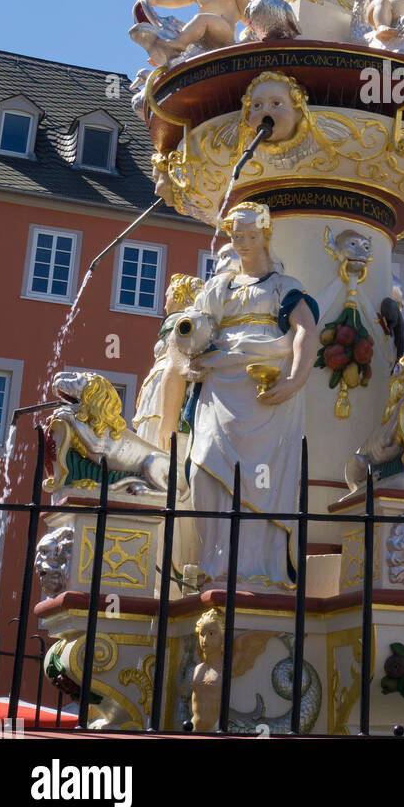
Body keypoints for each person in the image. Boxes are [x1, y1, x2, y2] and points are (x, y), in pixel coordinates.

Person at [186, 202, 318, 592]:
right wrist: (189, 355)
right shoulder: (217, 289)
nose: (242, 242)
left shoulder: (284, 287)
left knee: (262, 480)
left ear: (265, 236)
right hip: (218, 388)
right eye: (236, 235)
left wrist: (294, 380)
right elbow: (189, 329)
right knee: (202, 471)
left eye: (250, 235)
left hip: (265, 393)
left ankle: (259, 568)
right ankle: (214, 562)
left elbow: (306, 332)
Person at [133, 273, 204, 449]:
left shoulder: (183, 323)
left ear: (179, 296)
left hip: (163, 403)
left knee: (160, 460)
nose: (165, 301)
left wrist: (169, 418)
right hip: (158, 399)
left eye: (168, 295)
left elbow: (176, 368)